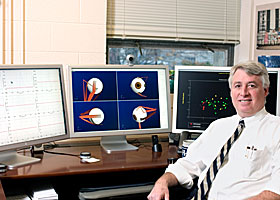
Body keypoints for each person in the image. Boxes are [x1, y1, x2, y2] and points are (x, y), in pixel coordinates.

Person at [147, 61, 280, 200]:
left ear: (265, 90)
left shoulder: (276, 130)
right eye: (238, 86)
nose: (243, 93)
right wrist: (162, 182)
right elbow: (188, 164)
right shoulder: (218, 126)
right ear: (231, 91)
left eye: (251, 86)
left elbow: (276, 192)